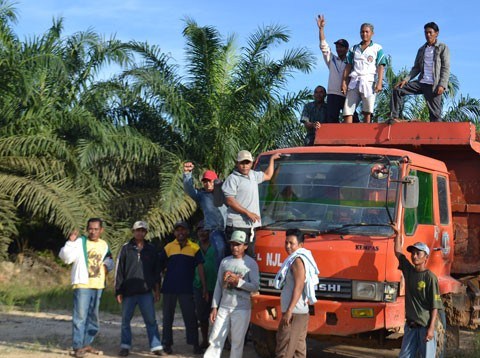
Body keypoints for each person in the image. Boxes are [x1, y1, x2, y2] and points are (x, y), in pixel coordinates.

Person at [59, 218, 114, 358]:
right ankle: (77, 346)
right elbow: (65, 257)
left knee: (93, 317)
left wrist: (107, 266)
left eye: (96, 229)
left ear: (101, 230)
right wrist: (70, 242)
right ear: (87, 229)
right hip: (83, 284)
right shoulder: (79, 242)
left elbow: (109, 259)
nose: (93, 231)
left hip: (98, 285)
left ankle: (86, 343)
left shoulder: (104, 244)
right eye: (91, 228)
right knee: (80, 316)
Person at [203, 230, 260, 358]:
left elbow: (255, 287)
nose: (235, 247)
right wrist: (214, 307)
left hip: (242, 309)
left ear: (245, 246)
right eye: (233, 244)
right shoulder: (225, 262)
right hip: (224, 307)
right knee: (215, 339)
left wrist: (238, 282)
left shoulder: (251, 264)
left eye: (238, 244)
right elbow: (218, 285)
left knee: (237, 342)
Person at [114, 221, 165, 357]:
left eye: (143, 230)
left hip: (146, 292)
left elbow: (156, 272)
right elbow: (119, 271)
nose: (140, 233)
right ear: (133, 231)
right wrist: (118, 290)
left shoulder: (152, 249)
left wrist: (157, 290)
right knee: (125, 321)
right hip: (128, 292)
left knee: (151, 320)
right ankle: (125, 346)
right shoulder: (126, 248)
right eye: (137, 230)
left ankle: (156, 346)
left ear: (146, 232)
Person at [222, 150, 281, 258]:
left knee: (248, 257)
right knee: (236, 257)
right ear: (237, 163)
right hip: (237, 225)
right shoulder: (232, 179)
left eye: (247, 163)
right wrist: (247, 213)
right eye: (242, 163)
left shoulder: (253, 175)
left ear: (252, 163)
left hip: (250, 226)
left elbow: (268, 175)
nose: (245, 166)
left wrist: (272, 159)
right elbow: (230, 200)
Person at [159, 221, 206, 355]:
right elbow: (160, 265)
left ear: (187, 231)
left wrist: (204, 286)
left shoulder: (194, 247)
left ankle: (195, 344)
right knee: (168, 318)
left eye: (183, 230)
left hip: (187, 289)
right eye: (178, 230)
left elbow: (201, 267)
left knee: (191, 318)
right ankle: (166, 344)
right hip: (169, 289)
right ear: (174, 233)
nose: (180, 233)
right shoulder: (168, 247)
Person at [394, 234, 444, 358]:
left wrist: (431, 328)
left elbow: (435, 306)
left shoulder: (430, 278)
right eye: (413, 253)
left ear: (426, 257)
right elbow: (398, 252)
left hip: (425, 327)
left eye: (418, 253)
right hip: (411, 327)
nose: (414, 256)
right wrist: (397, 234)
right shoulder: (409, 271)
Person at [390, 22, 450, 122]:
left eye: (430, 32)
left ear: (436, 33)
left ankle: (436, 134)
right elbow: (416, 68)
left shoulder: (442, 48)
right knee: (398, 90)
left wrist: (442, 85)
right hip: (421, 83)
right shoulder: (422, 49)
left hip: (434, 86)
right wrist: (406, 80)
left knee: (435, 116)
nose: (428, 35)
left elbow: (445, 67)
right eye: (426, 33)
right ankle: (394, 117)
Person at [274, 229, 319, 358]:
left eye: (291, 243)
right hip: (300, 312)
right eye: (286, 242)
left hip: (294, 313)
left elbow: (299, 287)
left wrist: (289, 311)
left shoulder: (297, 261)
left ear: (300, 245)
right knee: (299, 350)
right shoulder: (296, 259)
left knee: (284, 349)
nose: (288, 246)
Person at [183, 162, 227, 268]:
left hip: (228, 229)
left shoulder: (225, 192)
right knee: (220, 248)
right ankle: (220, 277)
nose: (207, 184)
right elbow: (189, 189)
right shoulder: (202, 196)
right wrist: (187, 173)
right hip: (214, 230)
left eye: (210, 181)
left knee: (233, 252)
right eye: (205, 182)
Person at [341, 23, 387, 123]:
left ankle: (367, 133)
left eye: (367, 32)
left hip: (369, 82)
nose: (364, 34)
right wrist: (344, 82)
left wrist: (379, 82)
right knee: (347, 110)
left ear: (372, 33)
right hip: (354, 82)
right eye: (362, 31)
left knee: (367, 110)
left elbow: (381, 65)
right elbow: (348, 65)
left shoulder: (377, 48)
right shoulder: (354, 48)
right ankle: (346, 133)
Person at [317, 14, 349, 123]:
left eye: (341, 47)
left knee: (352, 118)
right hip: (333, 94)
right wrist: (321, 29)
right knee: (331, 120)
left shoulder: (351, 62)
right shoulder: (332, 59)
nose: (339, 49)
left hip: (347, 94)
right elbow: (323, 46)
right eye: (337, 47)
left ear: (346, 49)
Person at [193, 221, 217, 349]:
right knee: (202, 316)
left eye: (205, 230)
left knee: (218, 315)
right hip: (198, 286)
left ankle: (222, 341)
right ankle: (205, 340)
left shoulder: (217, 246)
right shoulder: (194, 247)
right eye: (199, 230)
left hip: (215, 285)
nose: (202, 232)